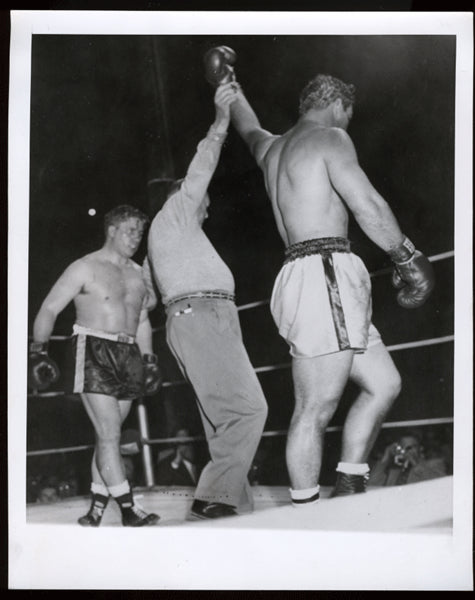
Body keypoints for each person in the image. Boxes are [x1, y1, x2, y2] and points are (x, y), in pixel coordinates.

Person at [203, 47, 435, 506]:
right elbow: (367, 205)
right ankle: (307, 513)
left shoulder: (272, 147)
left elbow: (246, 127)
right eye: (348, 115)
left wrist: (228, 86)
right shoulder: (330, 138)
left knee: (384, 383)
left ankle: (349, 481)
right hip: (325, 274)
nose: (348, 124)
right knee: (313, 408)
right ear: (337, 105)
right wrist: (407, 256)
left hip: (313, 279)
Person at [145, 82, 268, 519]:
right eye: (205, 203)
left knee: (221, 417)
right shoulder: (177, 210)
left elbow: (143, 299)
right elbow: (201, 169)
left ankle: (233, 501)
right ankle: (213, 498)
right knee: (252, 408)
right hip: (202, 315)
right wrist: (220, 121)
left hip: (195, 319)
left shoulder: (164, 240)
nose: (207, 210)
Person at [29, 205, 163, 526]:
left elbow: (143, 320)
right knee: (109, 431)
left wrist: (148, 359)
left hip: (129, 353)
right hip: (92, 348)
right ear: (112, 230)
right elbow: (49, 307)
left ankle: (96, 510)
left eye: (140, 233)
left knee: (110, 438)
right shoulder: (84, 267)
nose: (136, 238)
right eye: (130, 230)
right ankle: (130, 508)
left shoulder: (137, 274)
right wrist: (38, 350)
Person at [368, 431, 447, 486]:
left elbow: (442, 485)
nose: (406, 451)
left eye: (410, 447)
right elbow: (372, 485)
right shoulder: (393, 471)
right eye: (403, 447)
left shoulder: (435, 463)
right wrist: (385, 458)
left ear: (420, 448)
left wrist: (415, 463)